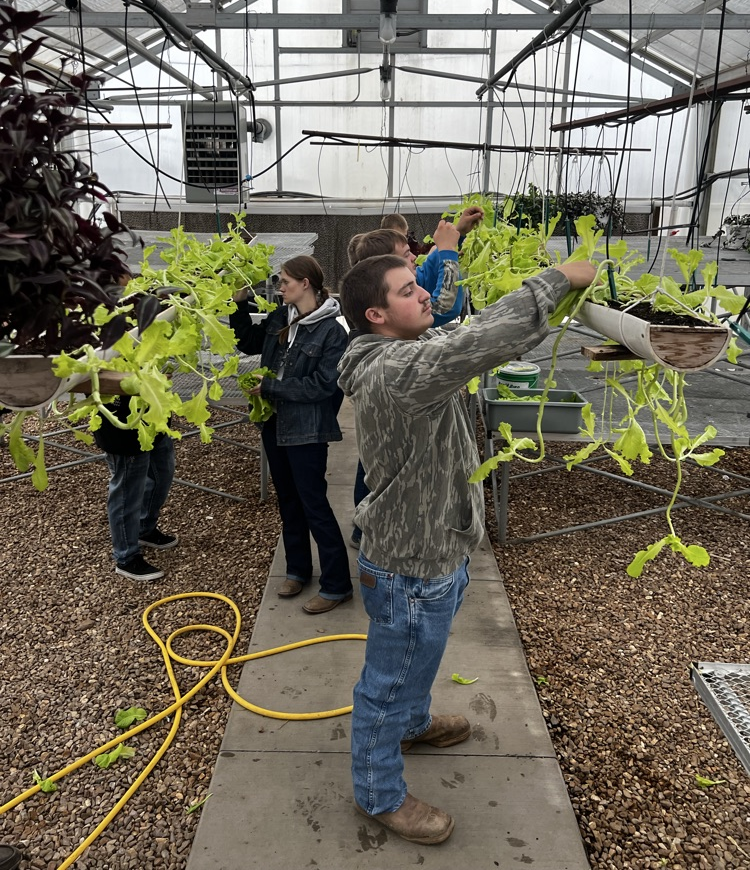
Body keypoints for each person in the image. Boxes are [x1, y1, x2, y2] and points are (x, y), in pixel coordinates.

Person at [337, 252, 597, 845]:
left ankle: (414, 722)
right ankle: (378, 792)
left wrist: (449, 251)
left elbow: (457, 326)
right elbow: (476, 340)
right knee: (389, 679)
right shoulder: (397, 371)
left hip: (440, 546)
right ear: (377, 314)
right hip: (410, 565)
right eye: (409, 290)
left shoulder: (405, 352)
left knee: (416, 664)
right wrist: (556, 280)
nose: (424, 294)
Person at [346, 204, 484, 550]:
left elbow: (429, 268)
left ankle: (367, 524)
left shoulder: (399, 297)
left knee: (377, 468)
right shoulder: (402, 322)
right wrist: (451, 250)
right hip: (413, 541)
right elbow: (445, 305)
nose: (416, 263)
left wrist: (457, 235)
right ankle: (369, 527)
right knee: (384, 474)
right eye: (408, 258)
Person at [230, 255, 353, 615]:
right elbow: (249, 342)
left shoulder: (332, 331)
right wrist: (237, 305)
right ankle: (298, 569)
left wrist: (271, 387)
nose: (279, 287)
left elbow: (324, 386)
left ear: (305, 284)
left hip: (308, 430)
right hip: (275, 424)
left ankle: (337, 585)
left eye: (285, 282)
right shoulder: (280, 317)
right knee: (289, 502)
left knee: (314, 505)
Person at [93, 394, 177, 581]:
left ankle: (144, 528)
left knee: (162, 474)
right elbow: (87, 379)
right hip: (121, 427)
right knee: (127, 492)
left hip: (153, 417)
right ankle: (126, 556)